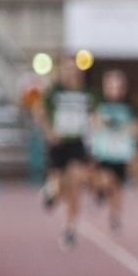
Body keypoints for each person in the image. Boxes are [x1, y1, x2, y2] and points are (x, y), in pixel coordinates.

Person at [33, 57, 97, 249]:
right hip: (58, 143)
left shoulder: (87, 94)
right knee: (60, 186)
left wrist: (95, 135)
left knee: (75, 185)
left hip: (77, 143)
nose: (70, 73)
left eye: (73, 69)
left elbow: (95, 117)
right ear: (61, 72)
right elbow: (39, 113)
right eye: (66, 69)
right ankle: (51, 192)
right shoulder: (53, 93)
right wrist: (49, 132)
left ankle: (70, 228)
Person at [90, 70, 138, 233]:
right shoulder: (100, 105)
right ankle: (99, 192)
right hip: (104, 152)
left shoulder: (131, 107)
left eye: (118, 87)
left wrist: (133, 145)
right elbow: (94, 124)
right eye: (111, 87)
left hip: (122, 153)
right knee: (106, 180)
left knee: (118, 187)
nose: (115, 90)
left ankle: (115, 215)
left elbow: (136, 129)